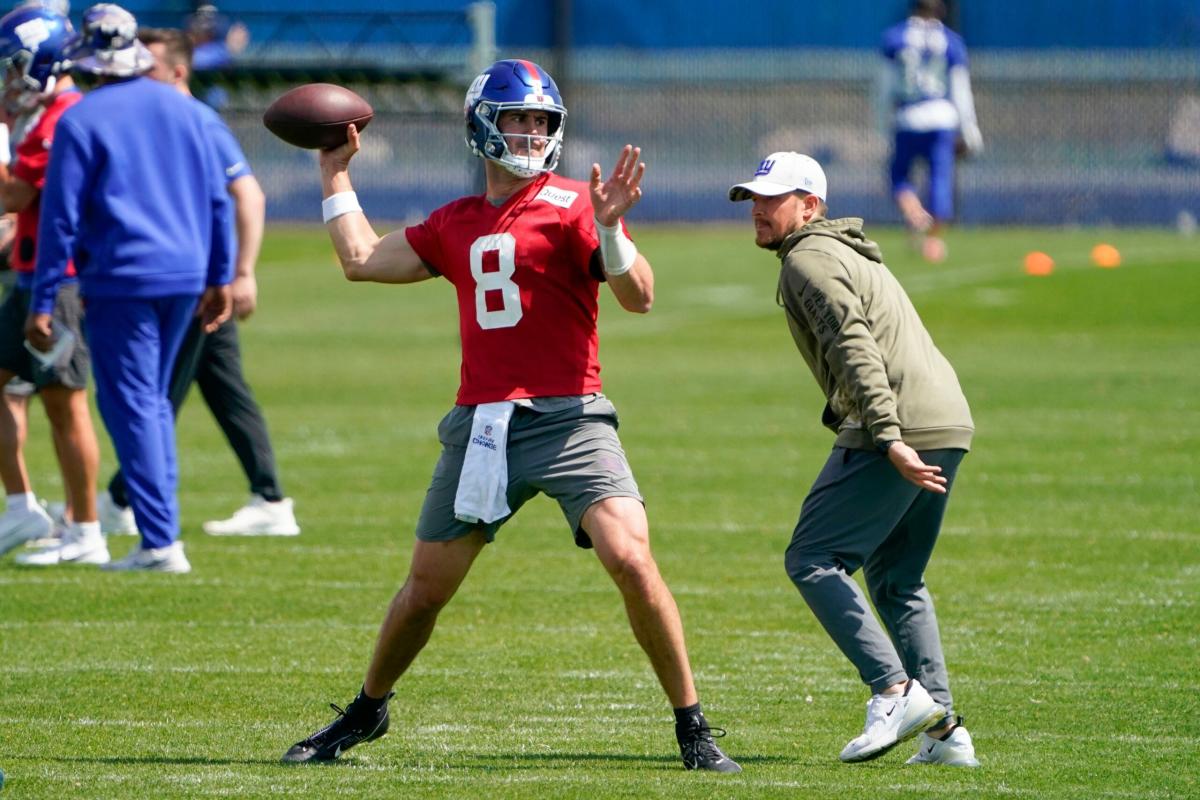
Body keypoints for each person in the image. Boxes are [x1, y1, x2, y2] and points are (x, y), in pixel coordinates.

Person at [281, 58, 740, 773]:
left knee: (632, 558)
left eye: (541, 121)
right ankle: (367, 710)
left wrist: (613, 229)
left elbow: (640, 296)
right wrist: (335, 171)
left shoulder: (574, 205)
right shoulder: (456, 221)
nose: (530, 132)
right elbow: (362, 259)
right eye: (518, 118)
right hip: (482, 426)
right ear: (482, 126)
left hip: (570, 420)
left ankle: (693, 727)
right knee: (424, 594)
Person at [729, 151, 979, 767]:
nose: (759, 209)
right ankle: (946, 734)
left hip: (897, 424)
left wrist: (889, 437)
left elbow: (852, 345)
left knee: (813, 558)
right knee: (897, 581)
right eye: (754, 198)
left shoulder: (807, 260)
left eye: (774, 198)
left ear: (811, 206)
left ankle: (894, 691)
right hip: (948, 419)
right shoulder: (840, 250)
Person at [29, 3, 233, 573]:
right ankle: (160, 532)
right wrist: (221, 274)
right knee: (153, 405)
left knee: (131, 404)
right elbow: (219, 201)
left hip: (121, 278)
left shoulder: (82, 119)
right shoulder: (186, 110)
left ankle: (161, 542)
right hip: (186, 275)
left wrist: (43, 300)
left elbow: (60, 220)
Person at [90, 26, 298, 539]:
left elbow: (247, 196)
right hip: (191, 280)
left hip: (198, 283)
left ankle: (122, 499)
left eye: (150, 66)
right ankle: (268, 498)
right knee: (209, 387)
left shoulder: (197, 121)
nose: (137, 75)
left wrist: (241, 272)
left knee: (159, 390)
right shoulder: (161, 119)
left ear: (178, 72)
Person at [0, 4, 106, 565]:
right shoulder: (46, 111)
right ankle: (21, 504)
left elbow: (13, 194)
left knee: (66, 405)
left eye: (18, 66)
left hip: (57, 280)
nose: (12, 79)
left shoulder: (62, 115)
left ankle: (86, 528)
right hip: (30, 273)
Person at [875, 0, 983, 263]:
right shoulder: (951, 41)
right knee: (940, 178)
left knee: (899, 175)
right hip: (941, 117)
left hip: (908, 117)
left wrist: (880, 125)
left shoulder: (895, 38)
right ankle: (933, 241)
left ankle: (913, 212)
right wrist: (969, 129)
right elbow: (960, 90)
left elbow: (883, 88)